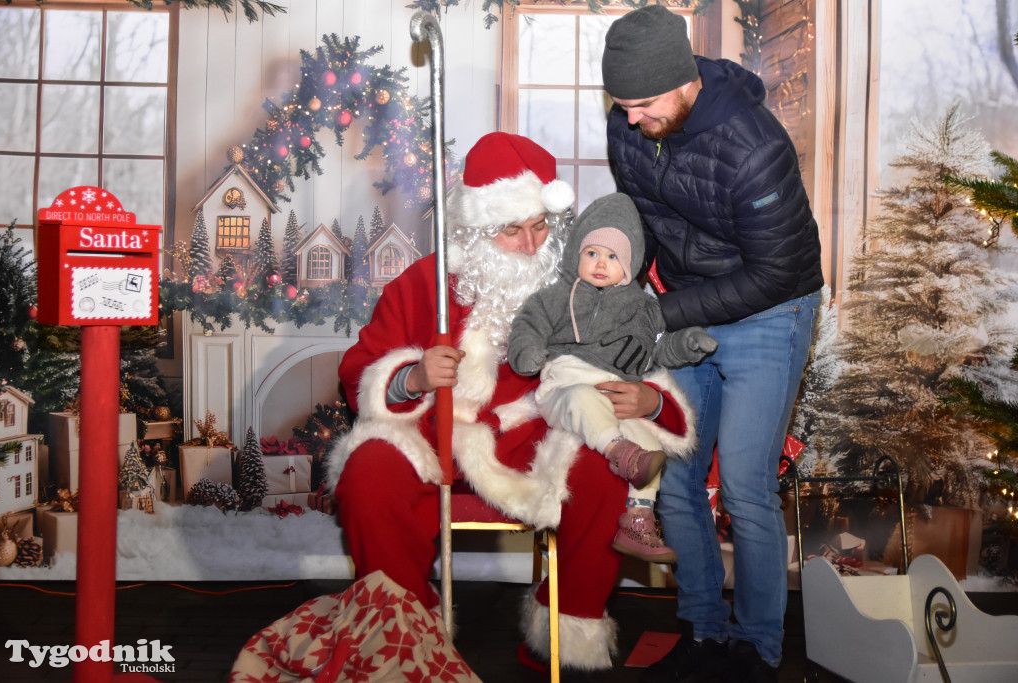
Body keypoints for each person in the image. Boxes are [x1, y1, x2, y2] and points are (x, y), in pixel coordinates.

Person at [327, 132, 698, 673]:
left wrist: (649, 400)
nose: (530, 245)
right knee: (368, 469)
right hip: (438, 442)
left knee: (606, 464)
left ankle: (564, 629)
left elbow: (643, 362)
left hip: (541, 439)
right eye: (510, 230)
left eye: (540, 226)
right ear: (476, 231)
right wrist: (411, 377)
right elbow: (360, 369)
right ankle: (402, 633)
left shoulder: (590, 289)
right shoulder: (422, 286)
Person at [601, 6, 824, 683]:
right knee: (680, 480)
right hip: (687, 304)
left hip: (772, 308)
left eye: (642, 102)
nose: (631, 118)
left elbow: (776, 271)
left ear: (684, 78)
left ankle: (756, 647)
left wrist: (660, 312)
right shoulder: (631, 127)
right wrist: (615, 283)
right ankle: (703, 630)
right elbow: (641, 217)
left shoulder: (753, 144)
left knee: (747, 488)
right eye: (622, 104)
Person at [507, 192, 715, 564]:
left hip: (616, 393)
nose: (601, 263)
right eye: (592, 253)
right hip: (565, 383)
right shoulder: (555, 297)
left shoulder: (643, 310)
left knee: (649, 445)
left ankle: (638, 519)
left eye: (612, 256)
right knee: (581, 400)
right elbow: (528, 325)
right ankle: (619, 453)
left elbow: (658, 351)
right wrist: (527, 352)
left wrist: (687, 344)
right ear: (576, 255)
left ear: (629, 265)